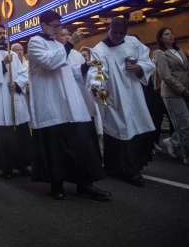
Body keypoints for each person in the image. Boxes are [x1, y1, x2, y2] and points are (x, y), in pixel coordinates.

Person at [29, 11, 111, 201]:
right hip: (52, 104)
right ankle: (56, 185)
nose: (57, 29)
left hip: (71, 104)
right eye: (53, 26)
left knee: (81, 146)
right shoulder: (35, 43)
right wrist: (70, 43)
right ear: (43, 25)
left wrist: (84, 66)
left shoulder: (60, 45)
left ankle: (85, 184)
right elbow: (50, 62)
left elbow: (69, 69)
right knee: (55, 149)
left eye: (59, 25)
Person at [87, 17, 155, 187]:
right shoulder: (99, 50)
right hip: (114, 96)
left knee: (133, 128)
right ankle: (127, 170)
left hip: (133, 93)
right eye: (114, 32)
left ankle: (128, 166)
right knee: (120, 130)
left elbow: (147, 61)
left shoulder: (132, 42)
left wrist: (140, 67)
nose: (118, 36)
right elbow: (97, 71)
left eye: (121, 33)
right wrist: (97, 87)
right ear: (107, 29)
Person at [0, 24, 31, 179]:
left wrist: (17, 84)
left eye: (4, 33)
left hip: (13, 96)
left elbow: (23, 73)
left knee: (19, 134)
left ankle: (22, 164)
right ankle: (6, 167)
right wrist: (2, 63)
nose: (2, 36)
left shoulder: (13, 55)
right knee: (3, 136)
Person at [153, 28, 189, 167]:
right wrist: (181, 90)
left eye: (172, 33)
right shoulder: (159, 53)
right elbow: (165, 75)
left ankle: (172, 141)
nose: (170, 35)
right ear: (160, 38)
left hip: (188, 91)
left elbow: (188, 70)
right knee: (184, 123)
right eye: (166, 34)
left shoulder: (180, 51)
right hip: (172, 93)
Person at [55, 28, 103, 152]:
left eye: (68, 34)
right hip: (68, 98)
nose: (66, 37)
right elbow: (72, 72)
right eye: (63, 35)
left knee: (89, 131)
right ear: (55, 37)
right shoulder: (56, 54)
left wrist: (88, 66)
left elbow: (81, 73)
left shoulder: (76, 54)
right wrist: (84, 67)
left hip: (83, 94)